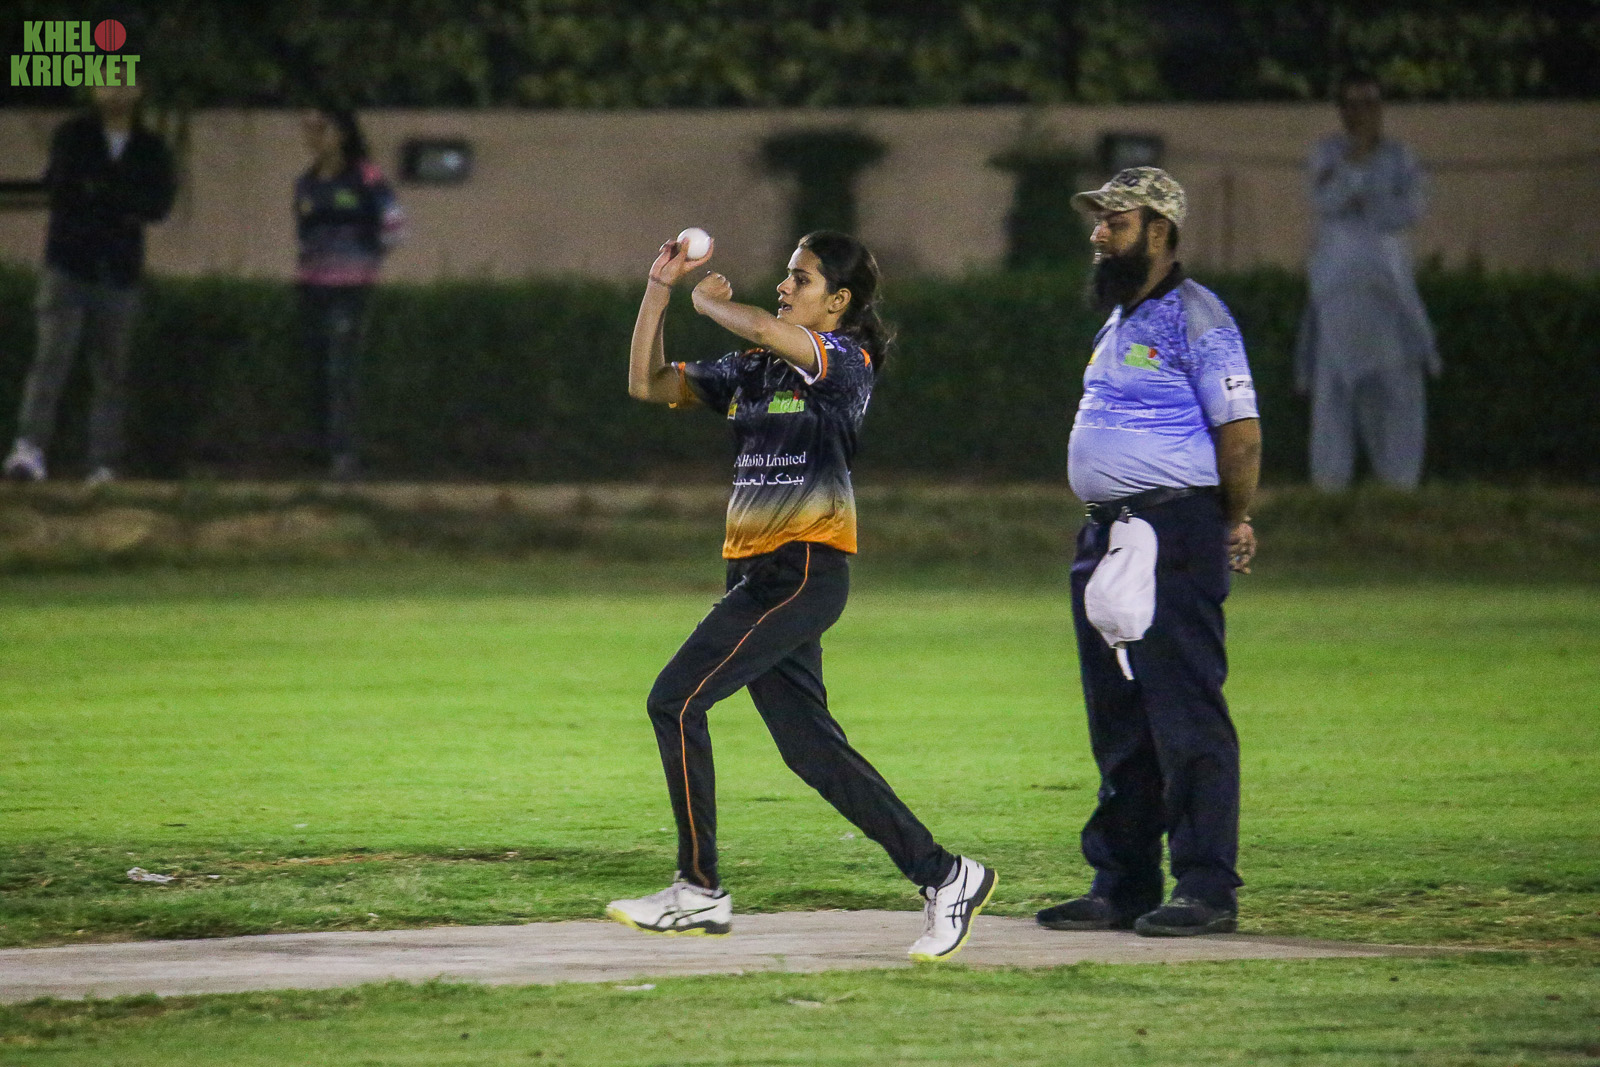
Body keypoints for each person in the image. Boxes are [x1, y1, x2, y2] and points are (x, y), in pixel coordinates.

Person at [608, 229, 996, 961]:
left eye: (802, 278)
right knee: (811, 750)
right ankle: (948, 875)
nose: (785, 286)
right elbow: (647, 383)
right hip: (754, 575)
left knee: (675, 701)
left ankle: (698, 889)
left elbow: (760, 325)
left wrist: (709, 304)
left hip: (805, 570)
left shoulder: (845, 362)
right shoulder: (753, 370)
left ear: (838, 302)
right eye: (787, 276)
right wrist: (659, 290)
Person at [1035, 167, 1261, 937]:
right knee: (1119, 716)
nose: (1099, 235)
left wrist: (1232, 518)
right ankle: (1124, 882)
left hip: (1173, 531)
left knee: (1186, 711)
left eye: (1116, 222)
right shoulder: (1121, 318)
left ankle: (1206, 887)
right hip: (1107, 535)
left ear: (1159, 230)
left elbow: (1241, 436)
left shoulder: (1199, 316)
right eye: (1099, 221)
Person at [3, 83, 175, 484]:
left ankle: (103, 462)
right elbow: (63, 188)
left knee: (112, 371)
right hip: (69, 263)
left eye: (125, 76)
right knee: (51, 360)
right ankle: (29, 449)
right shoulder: (73, 136)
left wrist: (102, 194)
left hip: (118, 271)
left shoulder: (150, 147)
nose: (116, 87)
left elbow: (159, 203)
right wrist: (121, 202)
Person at [1296, 74, 1439, 491]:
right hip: (1336, 289)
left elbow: (1407, 211)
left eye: (1370, 104)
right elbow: (1325, 200)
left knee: (1397, 389)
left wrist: (1366, 195)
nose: (1362, 114)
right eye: (1353, 104)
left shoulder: (1400, 157)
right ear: (1341, 110)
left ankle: (1399, 486)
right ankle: (1329, 488)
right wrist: (1356, 169)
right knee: (1334, 391)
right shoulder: (1326, 154)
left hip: (1388, 290)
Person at [294, 106, 404, 480]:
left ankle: (343, 456)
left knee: (341, 369)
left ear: (341, 133)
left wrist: (366, 258)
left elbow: (394, 224)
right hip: (313, 286)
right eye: (308, 129)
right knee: (315, 371)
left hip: (350, 288)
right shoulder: (306, 183)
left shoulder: (365, 177)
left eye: (320, 128)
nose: (312, 137)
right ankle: (318, 452)